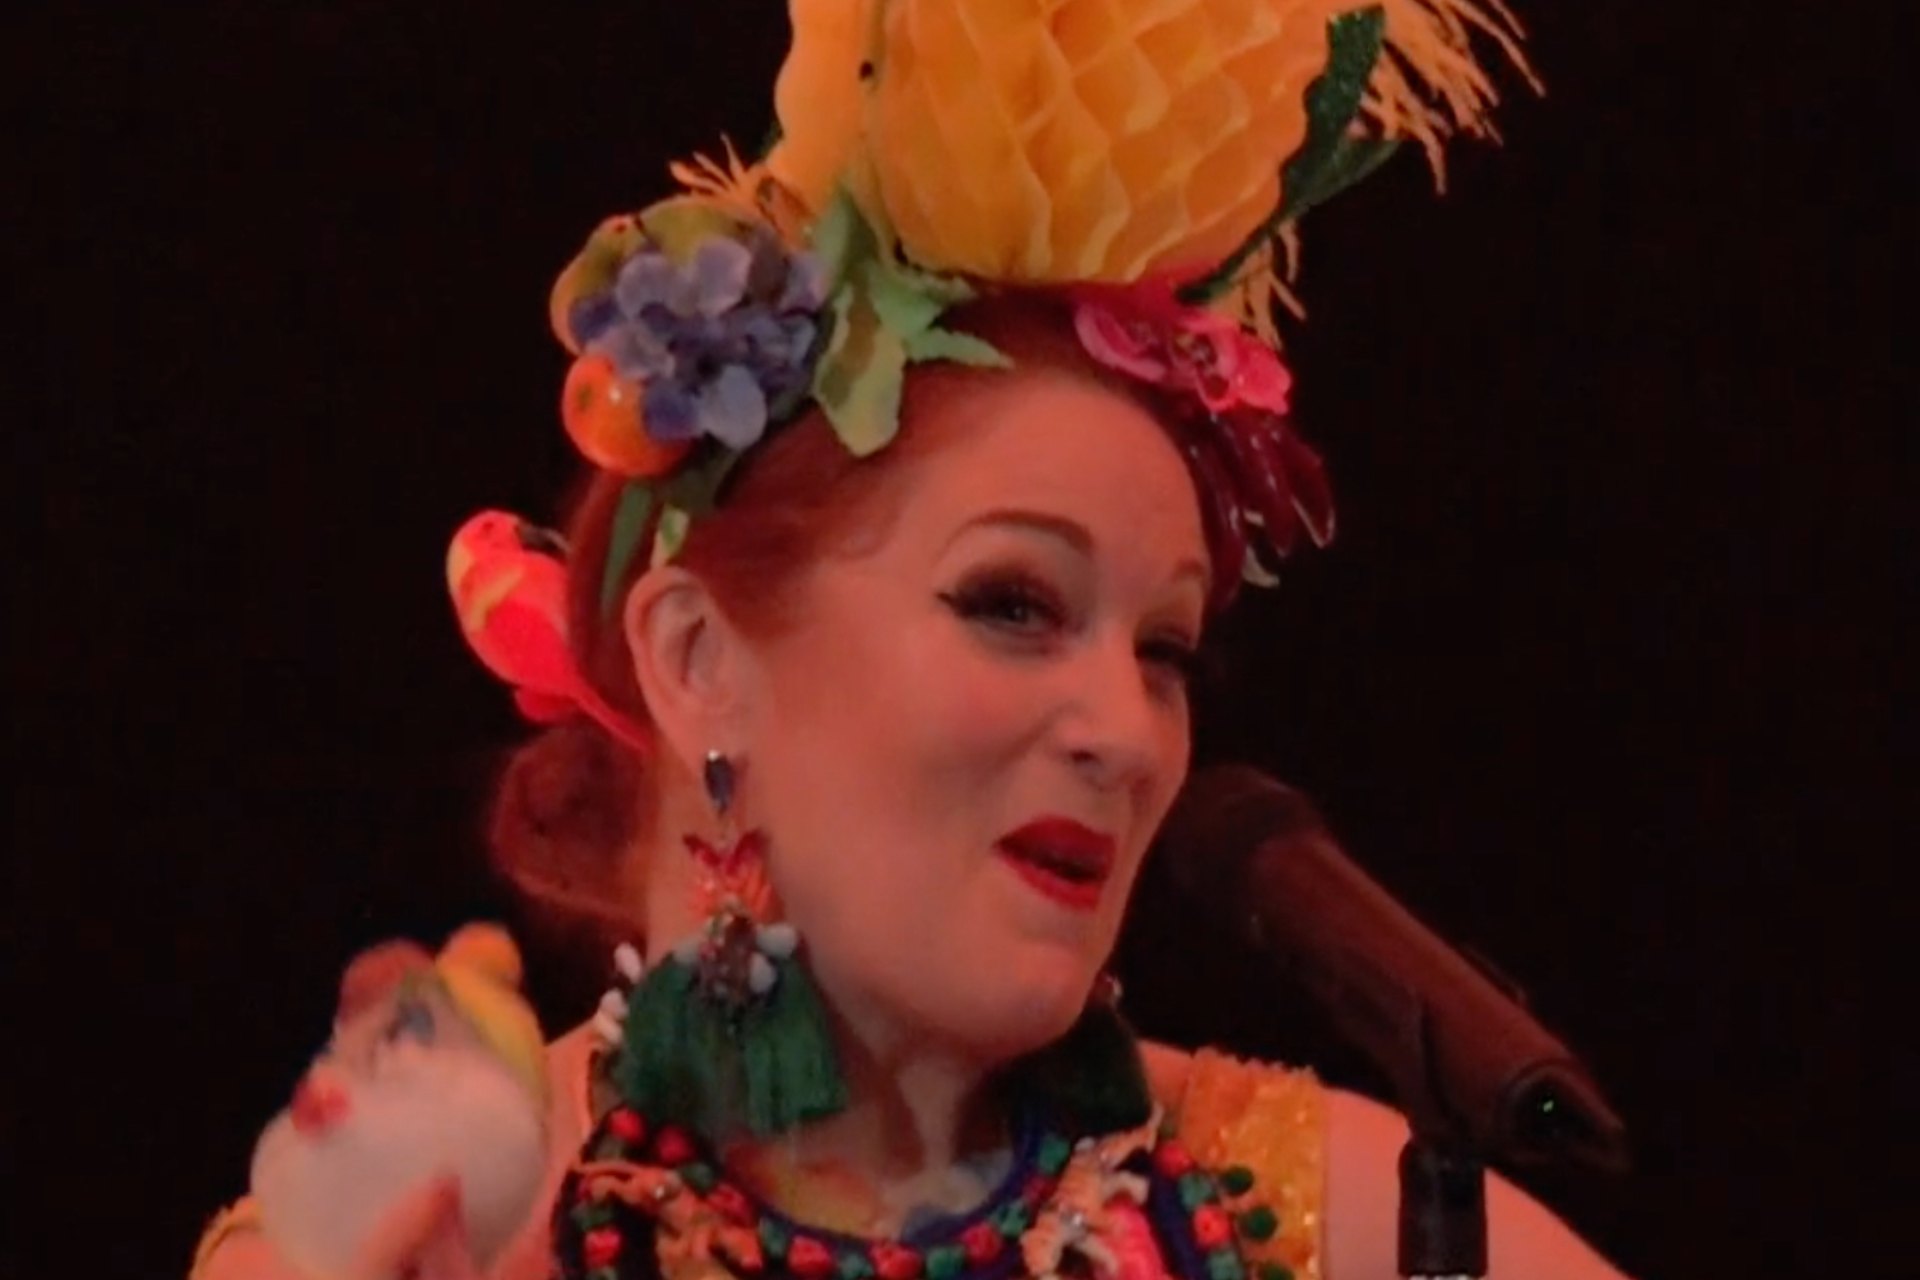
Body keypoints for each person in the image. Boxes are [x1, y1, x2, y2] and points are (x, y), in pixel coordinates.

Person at [193, 2, 1631, 1278]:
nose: (1126, 735)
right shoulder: (444, 1236)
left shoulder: (1320, 1214)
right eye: (1014, 604)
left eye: (1167, 649)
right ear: (697, 658)